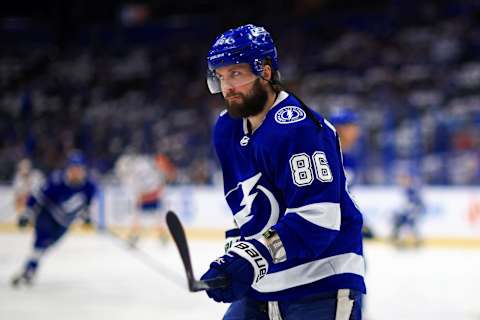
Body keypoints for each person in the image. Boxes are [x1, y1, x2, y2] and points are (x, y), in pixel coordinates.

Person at [200, 24, 366, 319]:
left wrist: (251, 258)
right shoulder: (226, 128)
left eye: (235, 74)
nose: (227, 88)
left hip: (319, 285)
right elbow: (248, 210)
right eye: (221, 77)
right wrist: (234, 255)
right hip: (262, 287)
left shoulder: (298, 129)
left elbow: (318, 219)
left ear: (265, 71)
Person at [11, 151, 97, 287]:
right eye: (73, 168)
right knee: (40, 242)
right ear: (68, 168)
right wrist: (27, 213)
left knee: (45, 246)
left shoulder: (90, 187)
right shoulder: (56, 180)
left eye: (79, 168)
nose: (76, 172)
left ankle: (30, 267)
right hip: (47, 216)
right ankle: (29, 270)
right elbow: (37, 196)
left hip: (64, 223)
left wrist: (86, 217)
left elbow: (85, 206)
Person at [329, 109, 374, 240]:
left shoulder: (350, 160)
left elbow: (344, 196)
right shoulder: (325, 155)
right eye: (352, 127)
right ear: (339, 128)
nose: (356, 131)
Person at [114, 151, 173, 247]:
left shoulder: (155, 170)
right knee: (138, 220)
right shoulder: (145, 167)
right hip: (144, 198)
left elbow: (160, 184)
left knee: (157, 220)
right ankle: (135, 237)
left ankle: (161, 237)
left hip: (152, 197)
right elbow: (136, 185)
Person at [392, 172, 425, 248]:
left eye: (405, 180)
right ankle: (405, 242)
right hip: (408, 212)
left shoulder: (412, 190)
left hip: (412, 211)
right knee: (406, 226)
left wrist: (414, 210)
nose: (402, 182)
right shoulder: (406, 190)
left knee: (408, 226)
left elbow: (417, 202)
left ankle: (413, 242)